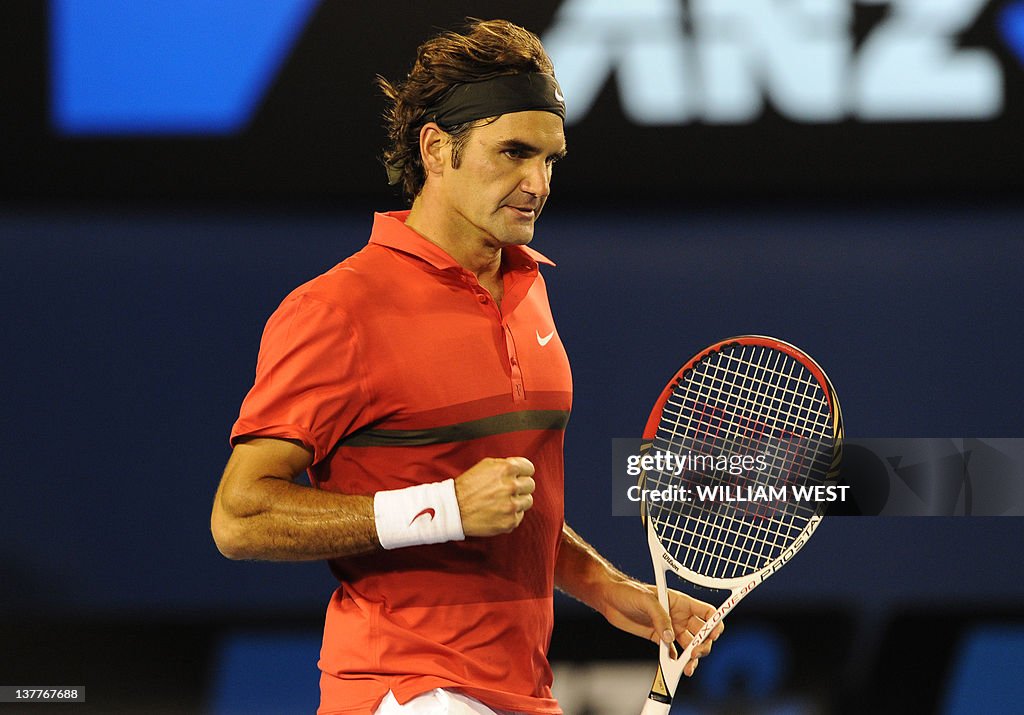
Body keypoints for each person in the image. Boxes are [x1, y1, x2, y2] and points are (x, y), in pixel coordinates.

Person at [210, 18, 722, 715]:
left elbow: (512, 506)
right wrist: (442, 506)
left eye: (549, 159)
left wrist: (607, 588)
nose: (536, 183)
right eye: (512, 152)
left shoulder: (528, 289)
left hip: (517, 690)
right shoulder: (338, 308)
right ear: (436, 149)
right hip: (406, 687)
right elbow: (239, 516)